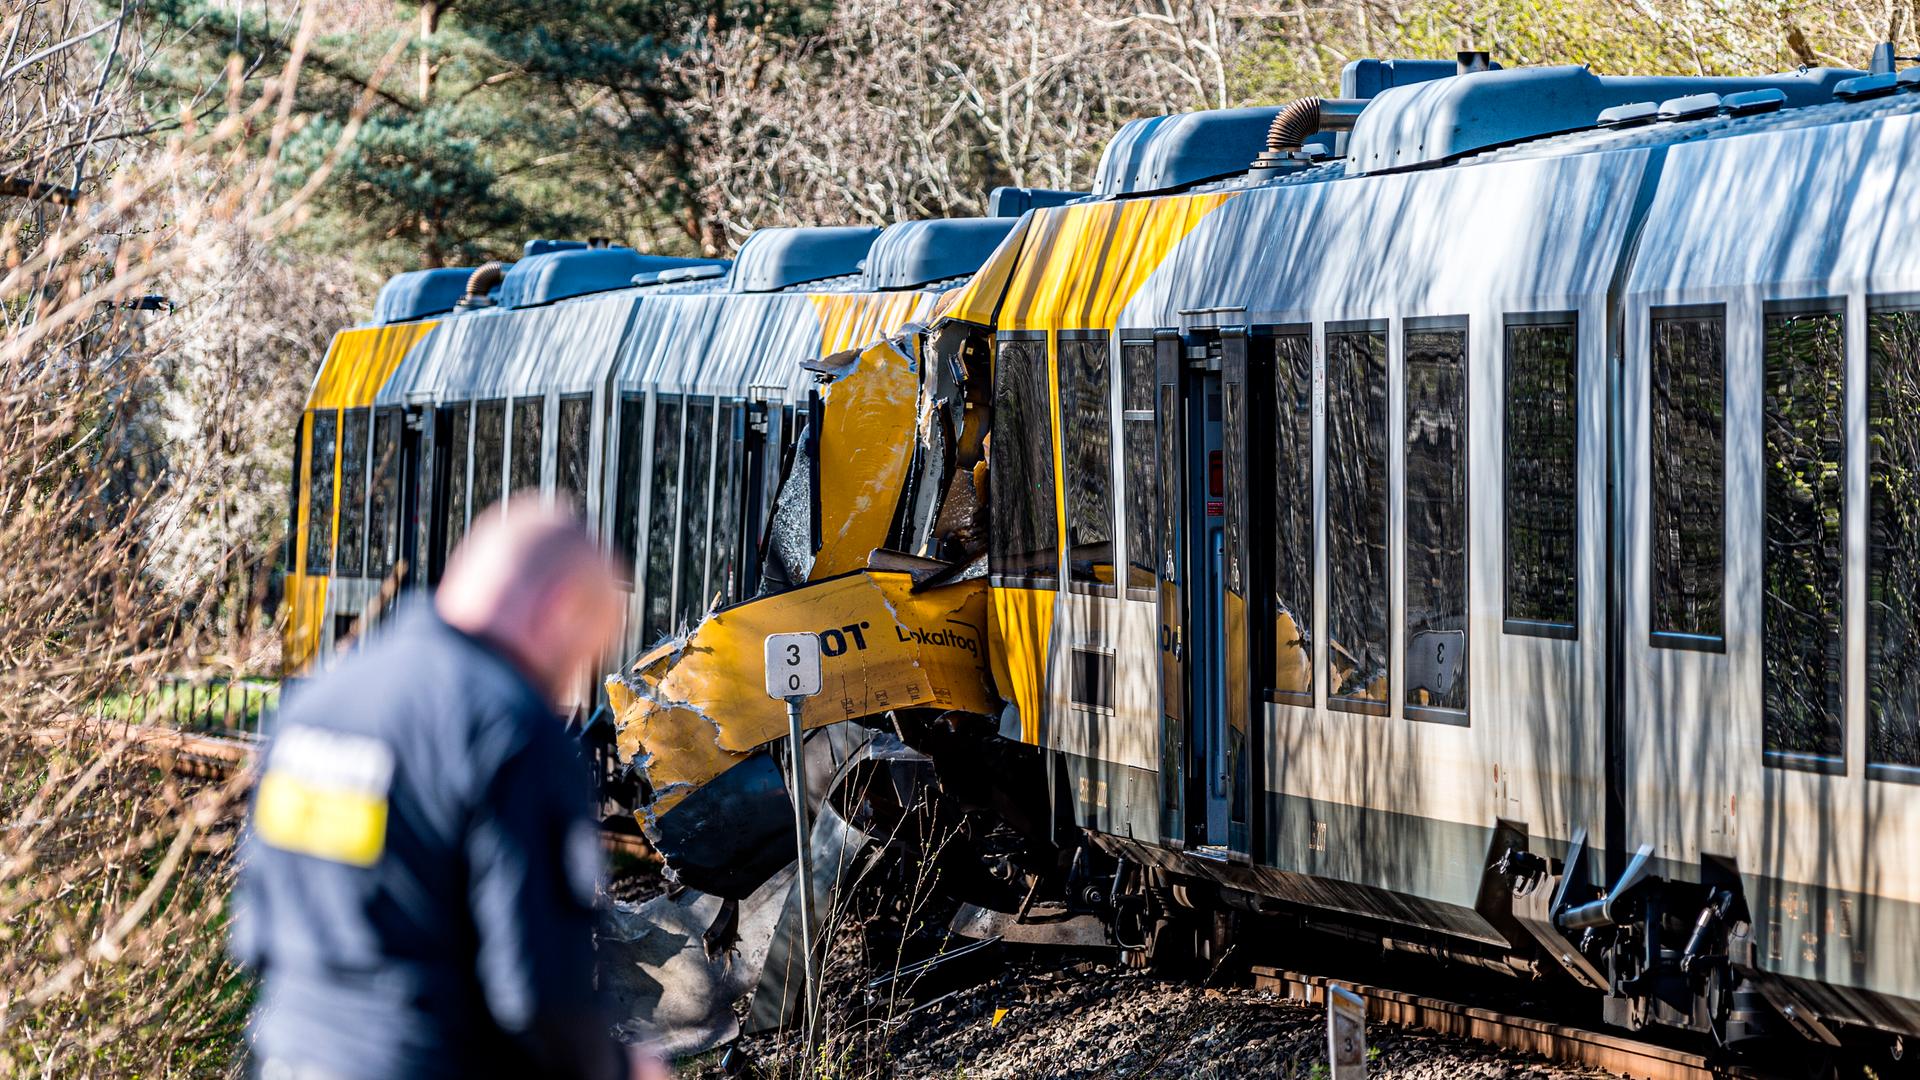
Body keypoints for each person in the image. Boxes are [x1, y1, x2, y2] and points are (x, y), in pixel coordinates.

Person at [233, 498, 666, 1080]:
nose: (569, 676)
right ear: (560, 610)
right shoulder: (509, 730)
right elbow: (537, 993)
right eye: (584, 651)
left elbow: (256, 923)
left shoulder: (321, 701)